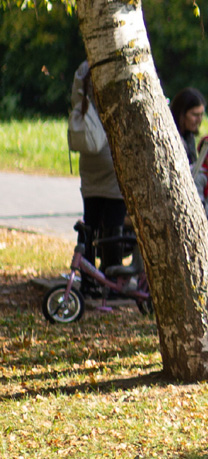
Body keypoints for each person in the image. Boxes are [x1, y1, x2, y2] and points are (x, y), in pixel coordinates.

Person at [71, 61, 126, 294]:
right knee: (113, 225)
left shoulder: (83, 70)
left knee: (90, 223)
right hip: (111, 158)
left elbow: (76, 98)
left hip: (90, 160)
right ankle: (112, 279)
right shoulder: (112, 64)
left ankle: (88, 278)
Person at [171, 87, 206, 167]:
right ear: (181, 114)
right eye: (195, 115)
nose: (199, 120)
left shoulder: (189, 136)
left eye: (201, 115)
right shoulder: (172, 137)